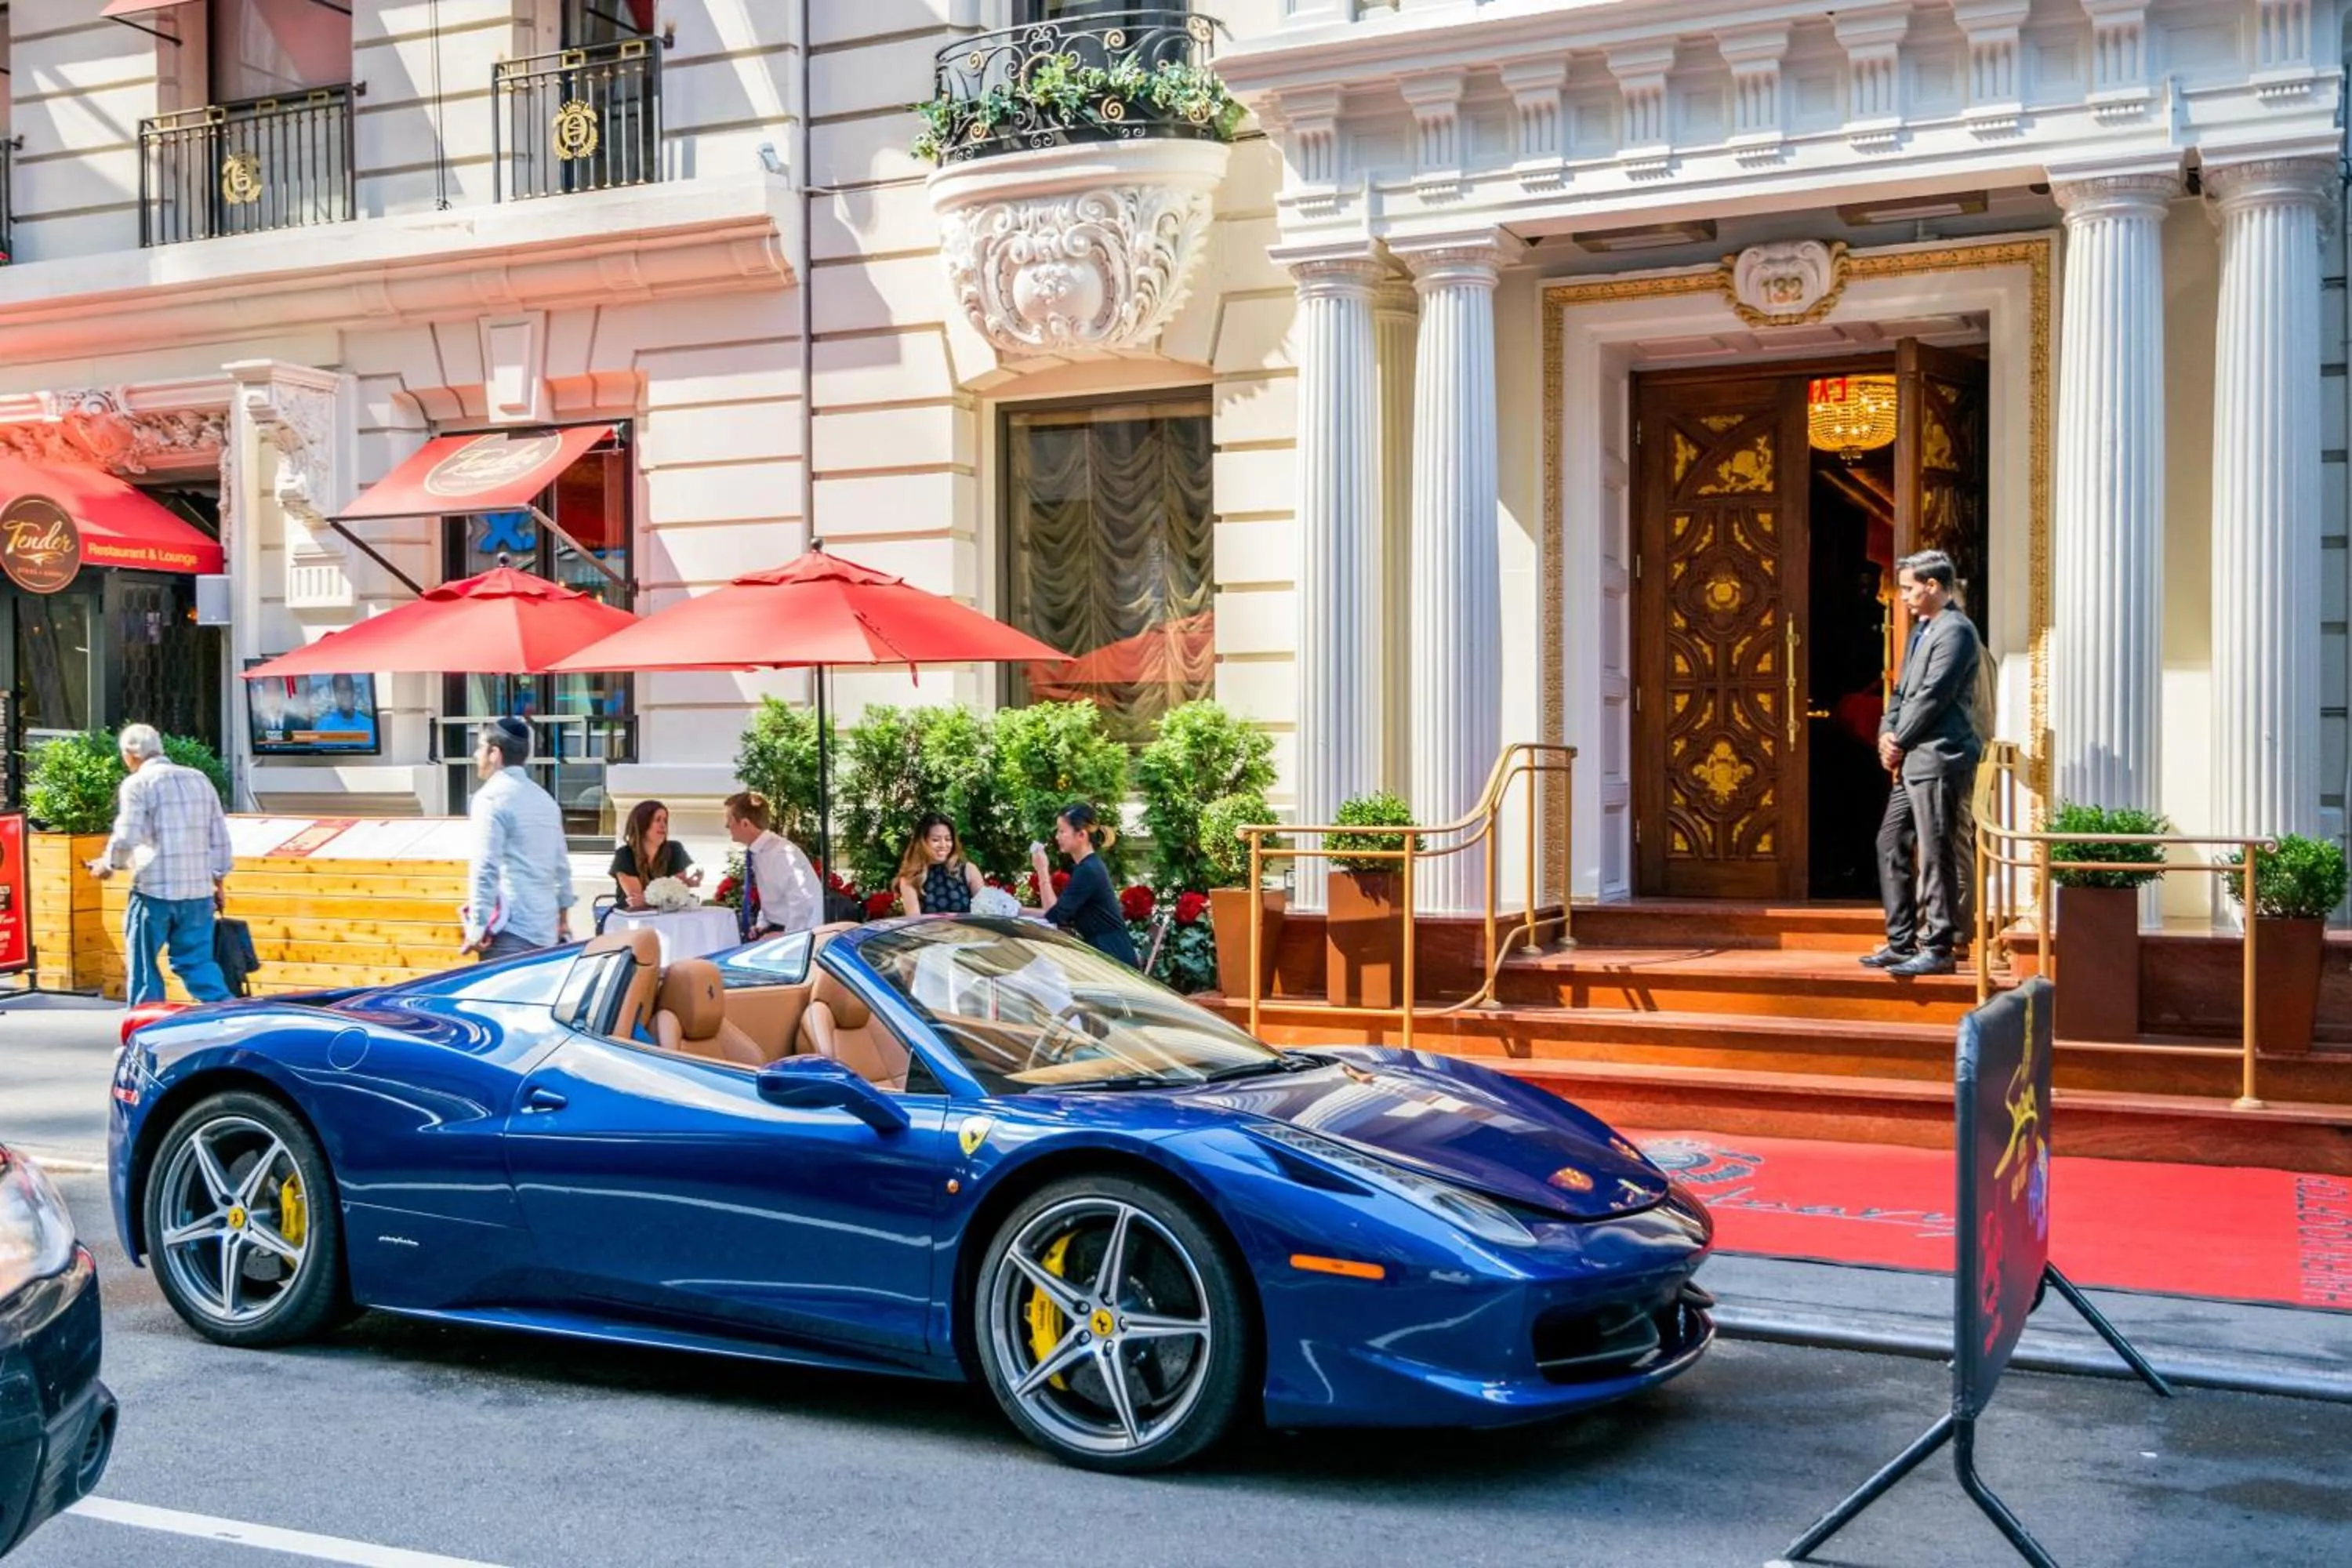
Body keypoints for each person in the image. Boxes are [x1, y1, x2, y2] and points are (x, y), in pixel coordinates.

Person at [1864, 550, 1984, 978]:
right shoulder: (1920, 632)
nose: (1903, 597)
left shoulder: (1957, 631)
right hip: (1912, 758)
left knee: (1935, 852)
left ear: (1933, 585)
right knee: (1890, 841)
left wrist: (1899, 740)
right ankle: (1901, 941)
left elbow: (1934, 696)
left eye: (1909, 588)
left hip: (1941, 757)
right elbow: (1901, 693)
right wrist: (1886, 732)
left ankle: (1939, 945)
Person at [87, 724, 234, 1006]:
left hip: (153, 891)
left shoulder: (138, 784)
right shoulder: (199, 779)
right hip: (198, 892)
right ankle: (227, 1015)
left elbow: (127, 835)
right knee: (198, 964)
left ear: (131, 754)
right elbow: (219, 838)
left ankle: (145, 1026)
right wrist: (218, 882)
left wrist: (108, 865)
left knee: (144, 967)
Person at [463, 716, 575, 960]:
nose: (475, 755)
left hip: (510, 930)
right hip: (546, 932)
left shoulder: (490, 798)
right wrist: (563, 919)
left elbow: (485, 866)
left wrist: (477, 927)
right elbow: (561, 867)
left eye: (480, 747)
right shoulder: (546, 800)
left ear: (495, 753)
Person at [1029, 801, 1138, 967]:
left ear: (1081, 835)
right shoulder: (1087, 866)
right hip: (1105, 952)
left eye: (1062, 831)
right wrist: (1013, 910)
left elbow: (1053, 915)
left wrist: (1042, 870)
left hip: (1113, 958)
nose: (1057, 837)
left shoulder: (1088, 870)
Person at [725, 790, 822, 939]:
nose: (726, 826)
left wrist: (786, 937)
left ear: (745, 823)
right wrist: (762, 925)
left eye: (729, 820)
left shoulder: (782, 854)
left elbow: (804, 903)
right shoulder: (759, 852)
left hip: (795, 936)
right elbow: (773, 898)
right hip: (776, 929)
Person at [609, 799, 701, 909]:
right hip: (631, 916)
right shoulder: (624, 855)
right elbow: (637, 903)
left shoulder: (675, 849)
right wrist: (665, 897)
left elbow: (677, 893)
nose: (663, 825)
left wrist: (648, 900)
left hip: (669, 915)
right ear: (642, 824)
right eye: (657, 820)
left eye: (665, 820)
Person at [895, 812, 985, 916]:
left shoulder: (968, 870)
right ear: (922, 842)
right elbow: (914, 920)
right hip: (928, 927)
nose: (943, 845)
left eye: (948, 839)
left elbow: (985, 913)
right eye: (936, 840)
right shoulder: (910, 878)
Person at [315, 673, 376, 746]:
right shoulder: (322, 726)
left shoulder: (370, 726)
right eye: (339, 692)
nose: (343, 695)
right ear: (334, 695)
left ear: (353, 692)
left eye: (347, 690)